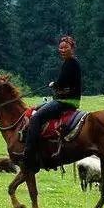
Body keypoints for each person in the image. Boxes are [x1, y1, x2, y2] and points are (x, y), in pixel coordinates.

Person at [23, 35, 82, 171]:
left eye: (65, 47)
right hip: (65, 99)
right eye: (60, 48)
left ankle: (29, 154)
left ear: (72, 48)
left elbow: (62, 82)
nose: (62, 50)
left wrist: (54, 84)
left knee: (36, 117)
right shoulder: (71, 62)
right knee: (37, 107)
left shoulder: (71, 62)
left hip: (65, 101)